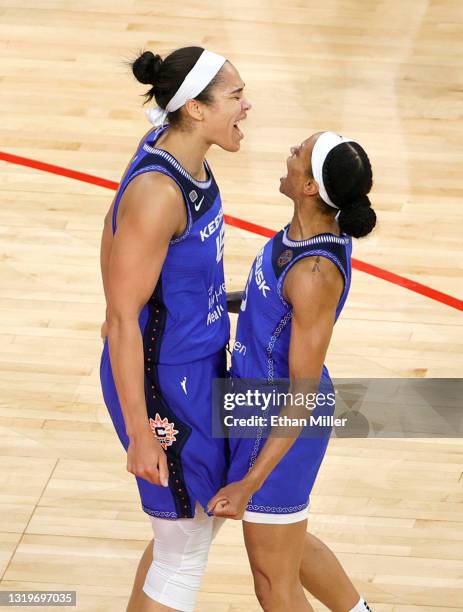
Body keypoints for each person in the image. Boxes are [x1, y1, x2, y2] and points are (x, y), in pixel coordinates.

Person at [99, 45, 251, 612]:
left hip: (193, 366)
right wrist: (141, 431)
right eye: (236, 96)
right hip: (164, 385)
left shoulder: (182, 157)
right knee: (185, 549)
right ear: (194, 108)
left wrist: (208, 299)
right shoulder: (160, 192)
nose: (247, 106)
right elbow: (120, 317)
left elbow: (107, 226)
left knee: (181, 537)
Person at [209, 132, 376, 612]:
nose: (288, 153)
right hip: (254, 407)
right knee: (289, 544)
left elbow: (302, 391)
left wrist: (249, 483)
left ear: (308, 186)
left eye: (297, 154)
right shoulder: (298, 237)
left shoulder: (314, 274)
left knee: (272, 581)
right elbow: (267, 306)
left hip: (277, 419)